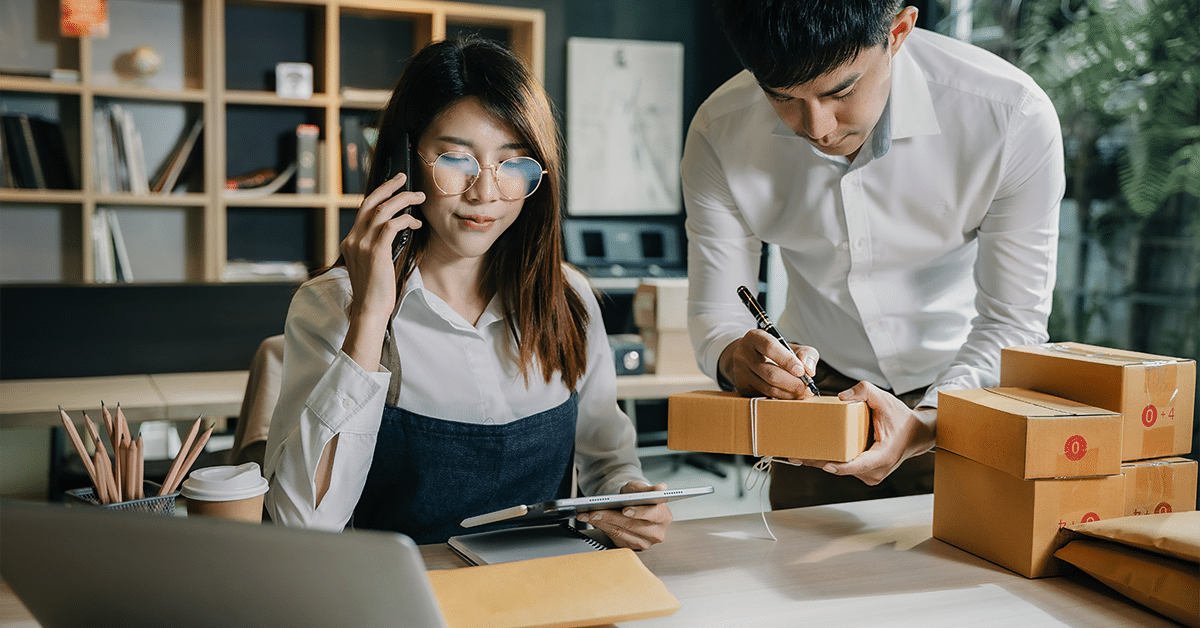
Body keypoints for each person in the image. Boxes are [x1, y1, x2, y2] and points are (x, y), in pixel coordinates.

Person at [264, 37, 671, 548]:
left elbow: (605, 460)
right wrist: (369, 317)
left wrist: (626, 498)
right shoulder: (330, 306)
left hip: (544, 601)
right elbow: (301, 526)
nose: (485, 192)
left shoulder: (568, 296)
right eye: (457, 159)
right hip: (408, 603)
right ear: (404, 160)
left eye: (513, 163)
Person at [683, 1, 1064, 508]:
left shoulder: (1010, 117)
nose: (817, 127)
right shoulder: (720, 131)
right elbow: (717, 313)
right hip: (817, 398)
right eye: (782, 97)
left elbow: (1013, 325)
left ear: (899, 32)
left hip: (967, 388)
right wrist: (737, 359)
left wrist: (926, 426)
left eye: (840, 90)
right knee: (797, 578)